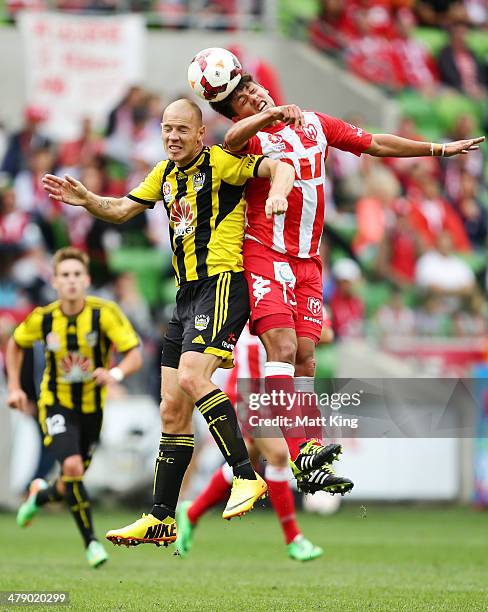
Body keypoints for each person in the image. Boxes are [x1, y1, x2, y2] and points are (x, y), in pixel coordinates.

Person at [205, 64, 484, 493]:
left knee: (306, 358)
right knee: (280, 346)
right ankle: (301, 454)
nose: (253, 97)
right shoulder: (249, 140)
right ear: (235, 112)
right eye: (241, 100)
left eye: (253, 89)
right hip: (264, 253)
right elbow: (230, 140)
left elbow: (374, 143)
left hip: (308, 263)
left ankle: (311, 458)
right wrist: (268, 116)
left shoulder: (315, 123)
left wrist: (439, 150)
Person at [41, 99, 296, 548]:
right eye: (166, 129)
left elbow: (277, 168)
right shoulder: (163, 174)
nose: (173, 136)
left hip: (221, 285)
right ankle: (161, 516)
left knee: (193, 378)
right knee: (171, 410)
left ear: (200, 133)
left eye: (182, 129)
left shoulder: (221, 161)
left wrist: (277, 191)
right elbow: (120, 210)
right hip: (185, 297)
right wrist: (86, 201)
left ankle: (245, 475)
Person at [6, 247, 143, 568]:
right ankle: (92, 543)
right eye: (65, 275)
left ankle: (40, 494)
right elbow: (16, 343)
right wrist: (14, 387)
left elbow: (133, 352)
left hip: (92, 411)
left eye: (76, 275)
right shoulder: (45, 318)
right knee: (72, 468)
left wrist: (114, 374)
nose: (71, 281)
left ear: (87, 280)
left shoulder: (103, 313)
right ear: (54, 281)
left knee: (70, 481)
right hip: (55, 405)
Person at [176, 321, 329, 562]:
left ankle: (191, 513)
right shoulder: (252, 301)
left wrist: (315, 323)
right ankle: (294, 539)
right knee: (278, 455)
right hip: (247, 395)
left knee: (246, 459)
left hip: (274, 395)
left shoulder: (284, 301)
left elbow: (324, 335)